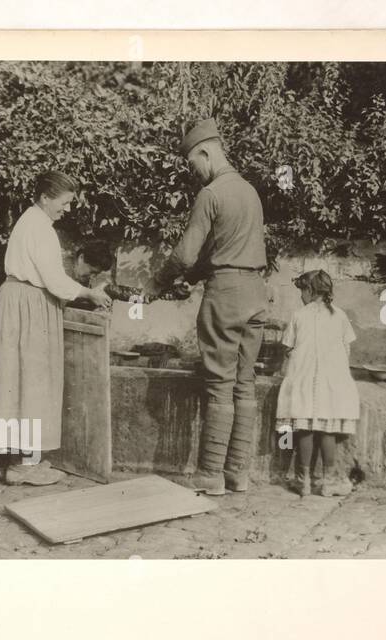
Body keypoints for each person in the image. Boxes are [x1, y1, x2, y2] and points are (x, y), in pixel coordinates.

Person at [143, 118, 268, 496]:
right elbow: (226, 250)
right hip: (256, 294)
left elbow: (186, 252)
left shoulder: (211, 194)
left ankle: (210, 475)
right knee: (244, 386)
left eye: (191, 163)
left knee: (219, 386)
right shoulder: (250, 192)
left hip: (226, 295)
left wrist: (158, 282)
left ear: (205, 151)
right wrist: (194, 278)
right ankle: (237, 474)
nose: (192, 171)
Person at [0, 171, 111, 485]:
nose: (67, 209)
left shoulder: (31, 222)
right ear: (46, 197)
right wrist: (89, 293)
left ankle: (15, 459)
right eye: (64, 202)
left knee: (16, 377)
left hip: (20, 301)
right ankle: (23, 465)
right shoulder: (39, 227)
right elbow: (53, 279)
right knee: (31, 379)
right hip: (29, 305)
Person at [276, 271, 360, 497]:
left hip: (303, 379)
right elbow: (346, 348)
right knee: (327, 430)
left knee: (304, 427)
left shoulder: (298, 315)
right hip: (331, 382)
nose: (301, 297)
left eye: (302, 292)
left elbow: (288, 347)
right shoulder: (340, 316)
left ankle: (303, 481)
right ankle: (327, 483)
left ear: (310, 291)